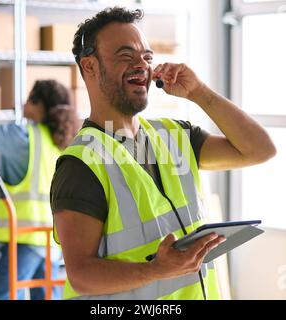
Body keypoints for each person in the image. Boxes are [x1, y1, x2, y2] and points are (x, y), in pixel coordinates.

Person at [50, 7, 276, 300]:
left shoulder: (174, 137)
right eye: (125, 55)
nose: (141, 65)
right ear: (90, 66)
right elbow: (81, 275)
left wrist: (199, 92)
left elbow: (260, 150)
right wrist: (156, 270)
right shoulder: (81, 164)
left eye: (147, 57)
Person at [0, 80, 79, 300]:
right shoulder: (62, 142)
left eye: (29, 99)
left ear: (39, 105)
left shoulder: (25, 138)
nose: (23, 103)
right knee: (47, 294)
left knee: (3, 294)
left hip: (27, 237)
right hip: (52, 238)